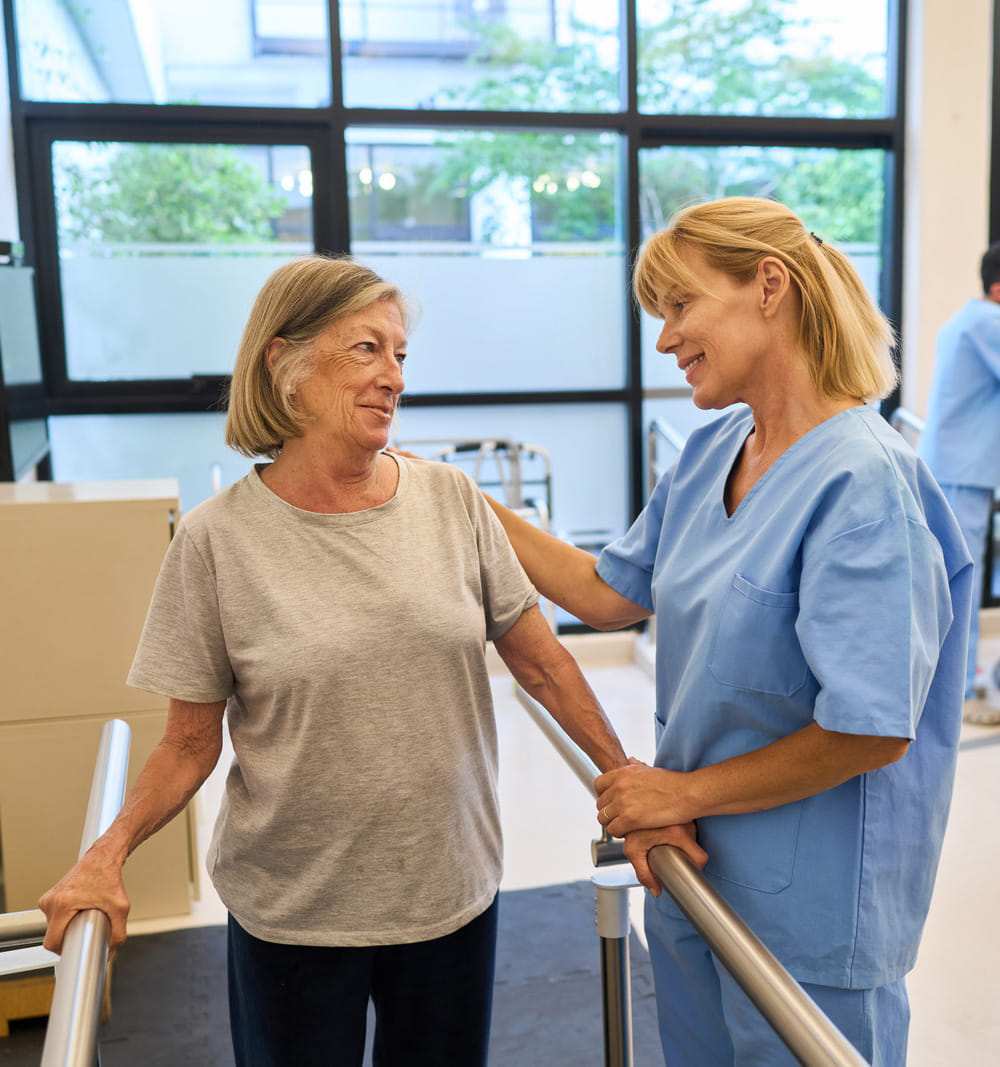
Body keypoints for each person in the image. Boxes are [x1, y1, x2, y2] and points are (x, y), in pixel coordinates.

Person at [37, 254, 680, 1067]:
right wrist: (106, 854)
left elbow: (544, 664)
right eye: (367, 349)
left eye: (401, 354)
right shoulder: (214, 541)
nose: (394, 377)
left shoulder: (451, 499)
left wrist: (627, 787)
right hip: (294, 913)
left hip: (448, 894)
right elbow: (189, 743)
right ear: (285, 365)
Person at [483, 197, 973, 1066]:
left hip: (811, 916)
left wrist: (678, 794)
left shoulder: (864, 483)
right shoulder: (715, 451)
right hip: (694, 877)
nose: (665, 339)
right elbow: (606, 593)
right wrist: (463, 503)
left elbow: (871, 728)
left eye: (680, 305)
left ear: (769, 286)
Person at [918, 242, 1000, 725]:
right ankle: (963, 694)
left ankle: (957, 689)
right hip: (962, 473)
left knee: (951, 583)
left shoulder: (965, 320)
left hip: (954, 468)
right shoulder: (989, 322)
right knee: (959, 587)